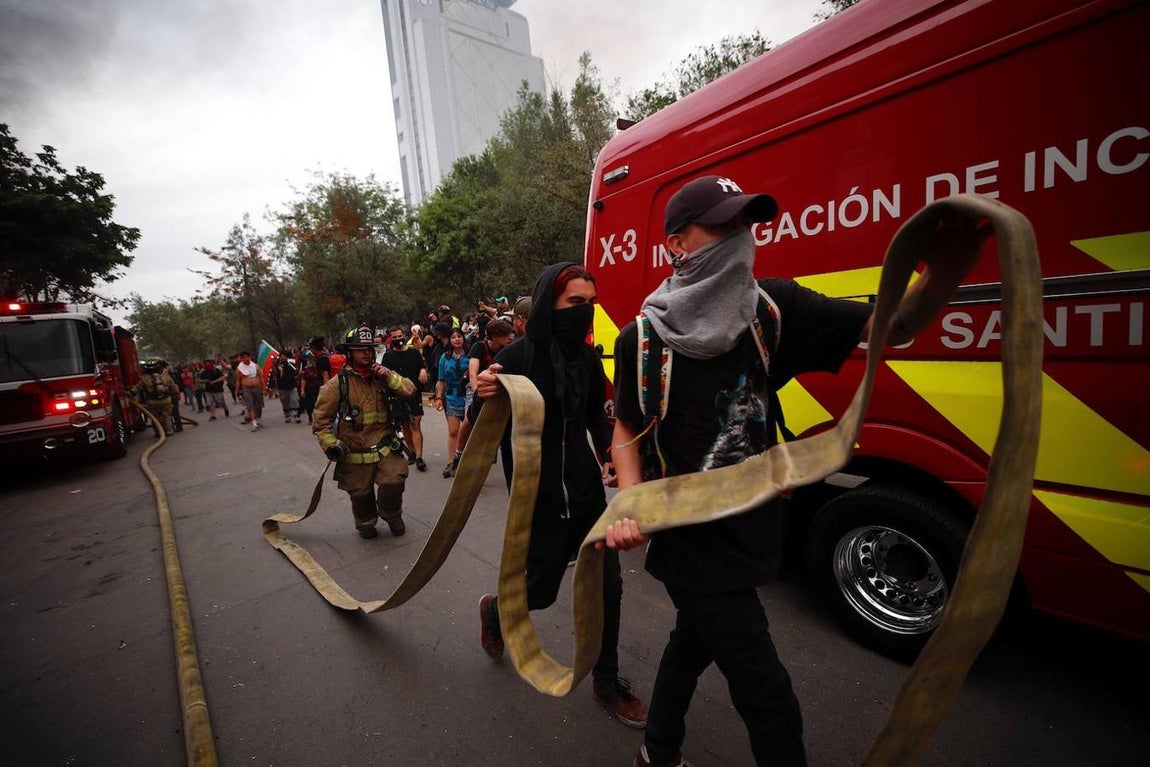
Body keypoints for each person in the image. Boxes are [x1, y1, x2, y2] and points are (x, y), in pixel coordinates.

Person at [602, 175, 984, 767]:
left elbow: (894, 326)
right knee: (767, 692)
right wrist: (629, 503)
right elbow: (627, 426)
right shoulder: (642, 340)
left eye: (744, 224)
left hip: (754, 523)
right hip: (687, 535)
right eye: (722, 226)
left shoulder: (772, 310)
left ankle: (658, 749)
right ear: (677, 244)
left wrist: (944, 272)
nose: (740, 237)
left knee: (693, 641)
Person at [474, 263, 648, 731]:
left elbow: (597, 417)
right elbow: (482, 417)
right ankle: (496, 611)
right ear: (549, 304)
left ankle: (606, 681)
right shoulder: (515, 357)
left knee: (608, 588)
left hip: (587, 495)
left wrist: (610, 455)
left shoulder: (588, 359)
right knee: (541, 590)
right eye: (575, 302)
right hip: (539, 499)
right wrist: (484, 389)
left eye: (590, 303)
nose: (585, 311)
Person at [312, 324, 416, 539]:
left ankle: (392, 515)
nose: (366, 353)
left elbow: (410, 391)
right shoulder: (336, 385)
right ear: (349, 353)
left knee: (394, 481)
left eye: (369, 348)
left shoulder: (382, 376)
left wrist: (390, 377)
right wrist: (331, 445)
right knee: (360, 494)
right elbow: (321, 422)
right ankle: (365, 522)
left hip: (386, 446)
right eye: (360, 349)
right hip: (355, 452)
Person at [452, 318, 513, 467]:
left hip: (496, 387)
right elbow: (473, 373)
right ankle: (458, 453)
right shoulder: (479, 347)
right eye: (505, 334)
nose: (509, 337)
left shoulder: (508, 349)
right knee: (469, 419)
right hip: (476, 386)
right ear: (494, 336)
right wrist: (477, 394)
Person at [381, 325, 429, 472]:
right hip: (397, 396)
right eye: (394, 337)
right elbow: (385, 375)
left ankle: (419, 457)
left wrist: (423, 371)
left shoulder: (414, 353)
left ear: (404, 336)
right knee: (406, 426)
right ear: (391, 338)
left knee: (415, 424)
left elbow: (422, 365)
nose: (398, 339)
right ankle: (412, 453)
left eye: (399, 336)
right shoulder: (388, 356)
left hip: (414, 394)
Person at [432, 327, 469, 478]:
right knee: (453, 431)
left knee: (468, 432)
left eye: (459, 336)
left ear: (463, 338)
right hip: (451, 398)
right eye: (453, 337)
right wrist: (438, 398)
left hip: (468, 397)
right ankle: (451, 462)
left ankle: (466, 462)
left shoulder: (471, 355)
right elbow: (441, 380)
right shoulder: (445, 357)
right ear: (450, 340)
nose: (457, 339)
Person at [134, 358, 180, 436]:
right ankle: (169, 431)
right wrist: (175, 395)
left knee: (155, 418)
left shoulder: (144, 379)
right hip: (166, 400)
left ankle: (158, 433)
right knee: (167, 416)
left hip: (152, 402)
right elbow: (173, 387)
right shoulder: (166, 376)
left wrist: (129, 394)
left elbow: (137, 388)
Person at [233, 350, 265, 431]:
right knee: (250, 406)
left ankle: (258, 420)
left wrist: (264, 388)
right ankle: (254, 423)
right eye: (244, 357)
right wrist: (236, 391)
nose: (246, 359)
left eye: (247, 357)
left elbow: (261, 378)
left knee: (259, 405)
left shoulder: (256, 366)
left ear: (250, 357)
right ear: (241, 359)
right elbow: (238, 381)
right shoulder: (239, 369)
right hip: (246, 389)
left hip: (257, 387)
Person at [273, 356, 301, 423]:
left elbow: (296, 371)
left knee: (294, 400)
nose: (283, 358)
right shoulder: (278, 366)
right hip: (282, 387)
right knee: (285, 402)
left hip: (292, 385)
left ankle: (296, 415)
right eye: (282, 356)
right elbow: (275, 375)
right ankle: (287, 416)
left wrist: (297, 375)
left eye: (284, 356)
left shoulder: (291, 364)